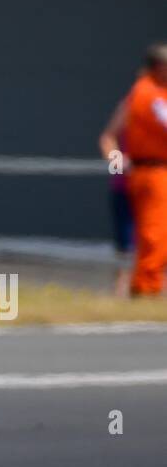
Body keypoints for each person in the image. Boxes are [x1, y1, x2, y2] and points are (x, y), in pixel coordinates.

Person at [121, 43, 167, 296]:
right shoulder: (150, 94)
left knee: (153, 231)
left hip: (151, 171)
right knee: (156, 232)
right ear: (160, 67)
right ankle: (147, 289)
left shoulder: (146, 91)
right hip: (154, 172)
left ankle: (146, 284)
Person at [98, 98, 135, 296]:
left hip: (157, 186)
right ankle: (120, 294)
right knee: (125, 248)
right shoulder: (131, 104)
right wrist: (118, 163)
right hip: (126, 186)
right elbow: (107, 139)